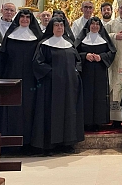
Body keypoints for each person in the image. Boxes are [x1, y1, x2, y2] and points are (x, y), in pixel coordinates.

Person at [31, 17, 84, 155]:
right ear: (51, 28)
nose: (59, 27)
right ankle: (49, 145)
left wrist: (75, 71)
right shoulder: (44, 44)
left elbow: (78, 61)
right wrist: (54, 73)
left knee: (69, 113)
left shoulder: (69, 44)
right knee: (50, 114)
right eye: (56, 25)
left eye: (62, 25)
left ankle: (67, 144)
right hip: (50, 87)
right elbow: (38, 64)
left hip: (69, 86)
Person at [0, 9, 42, 152]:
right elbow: (2, 58)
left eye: (28, 17)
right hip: (12, 77)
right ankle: (10, 144)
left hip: (31, 80)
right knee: (12, 109)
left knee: (30, 109)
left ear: (31, 20)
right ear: (18, 19)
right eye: (22, 17)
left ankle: (29, 143)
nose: (25, 20)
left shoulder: (37, 38)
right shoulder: (10, 37)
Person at [74, 17, 116, 131]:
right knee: (86, 95)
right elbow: (75, 52)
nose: (95, 26)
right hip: (86, 71)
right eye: (92, 24)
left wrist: (101, 57)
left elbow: (112, 51)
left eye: (97, 24)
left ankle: (99, 122)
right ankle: (85, 121)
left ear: (100, 26)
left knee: (99, 95)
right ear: (88, 26)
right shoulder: (83, 38)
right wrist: (85, 56)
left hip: (100, 70)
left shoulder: (104, 39)